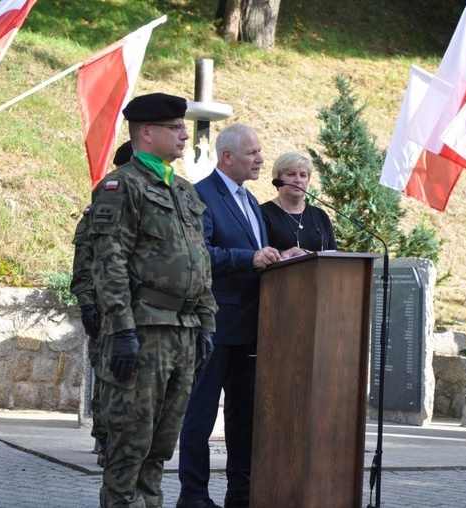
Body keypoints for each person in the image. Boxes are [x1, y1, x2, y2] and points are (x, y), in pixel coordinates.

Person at [89, 93, 217, 508]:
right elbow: (109, 263)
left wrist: (207, 323)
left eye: (182, 126)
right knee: (129, 447)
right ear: (146, 132)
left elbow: (200, 262)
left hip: (183, 332)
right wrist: (122, 330)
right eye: (174, 127)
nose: (184, 134)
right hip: (143, 332)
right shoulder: (120, 185)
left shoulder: (181, 188)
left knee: (161, 449)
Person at [177, 124, 302, 508]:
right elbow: (203, 255)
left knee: (244, 418)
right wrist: (251, 257)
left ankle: (241, 495)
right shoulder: (202, 196)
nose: (261, 159)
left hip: (252, 327)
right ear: (227, 157)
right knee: (199, 416)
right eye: (253, 153)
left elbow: (258, 255)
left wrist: (282, 258)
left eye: (261, 152)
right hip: (215, 324)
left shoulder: (250, 201)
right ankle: (194, 495)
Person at [70, 141, 134, 468]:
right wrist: (87, 305)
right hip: (105, 309)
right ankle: (105, 440)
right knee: (107, 379)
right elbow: (83, 263)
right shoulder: (101, 207)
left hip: (140, 311)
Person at [260, 151, 337, 252]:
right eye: (291, 174)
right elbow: (261, 254)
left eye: (303, 175)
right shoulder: (263, 214)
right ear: (278, 179)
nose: (298, 180)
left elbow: (333, 255)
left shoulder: (320, 216)